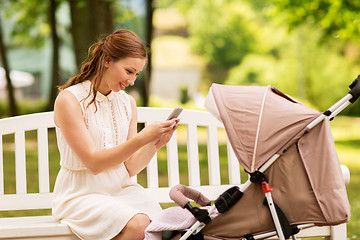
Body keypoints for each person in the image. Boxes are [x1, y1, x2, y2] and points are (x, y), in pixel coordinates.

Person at [52, 29, 179, 240]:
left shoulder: (127, 103)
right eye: (129, 71)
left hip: (122, 191)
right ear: (107, 60)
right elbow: (93, 164)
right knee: (139, 224)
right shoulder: (69, 100)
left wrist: (154, 145)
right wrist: (142, 138)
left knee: (161, 227)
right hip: (81, 195)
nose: (132, 81)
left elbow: (129, 167)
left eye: (137, 74)